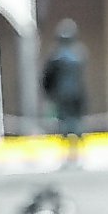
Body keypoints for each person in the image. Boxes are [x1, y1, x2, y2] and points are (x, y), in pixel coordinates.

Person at [42, 19, 88, 166]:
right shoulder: (79, 54)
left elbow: (47, 78)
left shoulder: (55, 56)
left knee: (64, 124)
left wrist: (48, 93)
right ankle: (78, 155)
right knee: (76, 124)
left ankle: (68, 156)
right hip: (77, 94)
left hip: (62, 95)